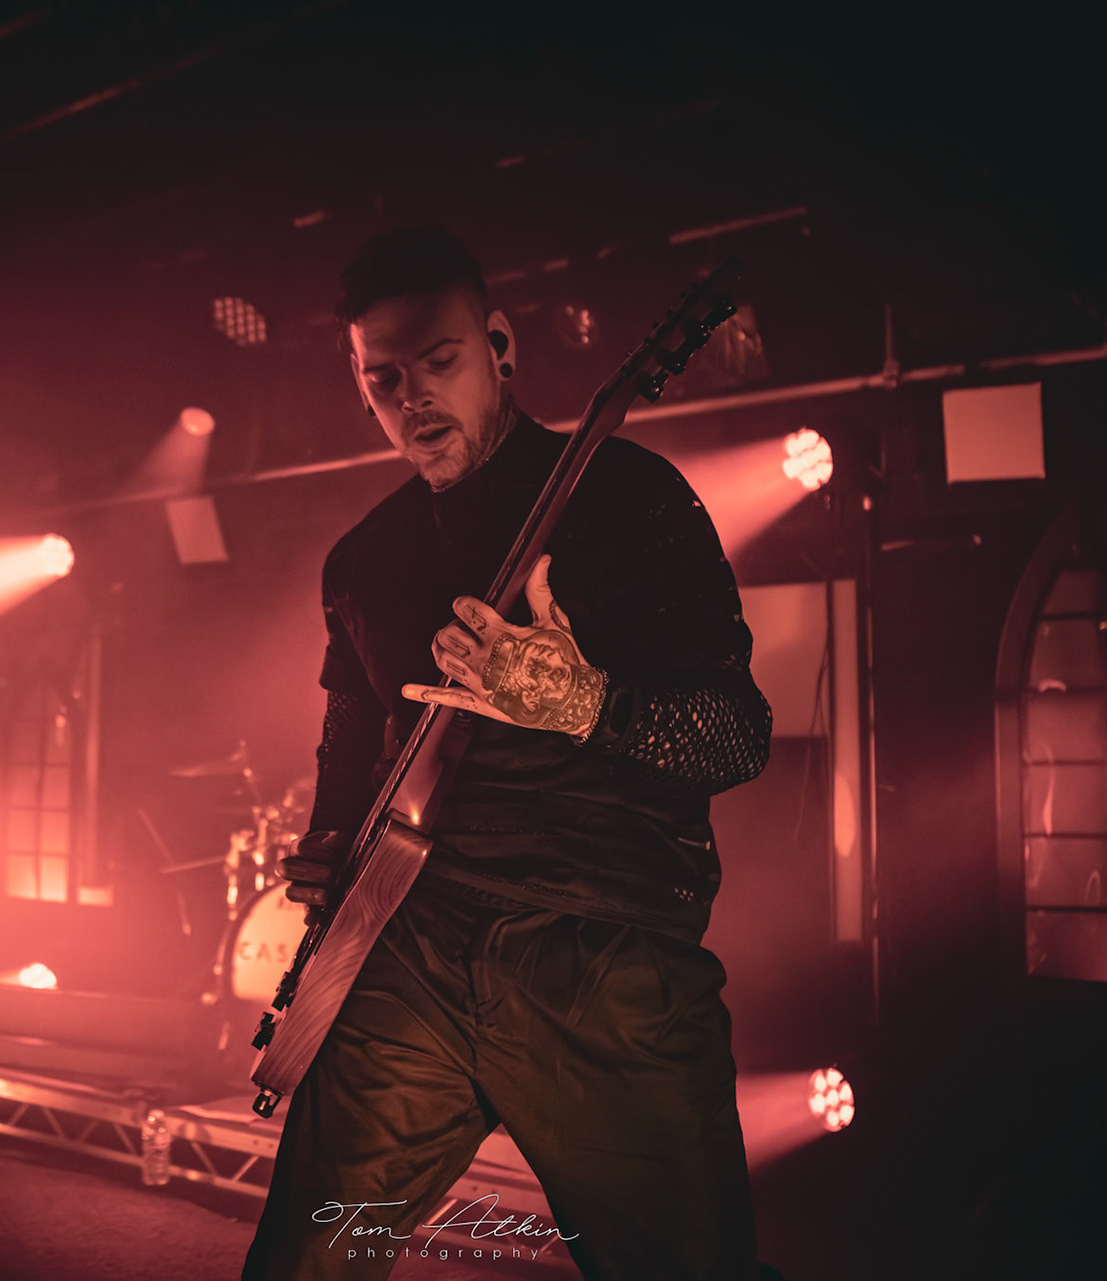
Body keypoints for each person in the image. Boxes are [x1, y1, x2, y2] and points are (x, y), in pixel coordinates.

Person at [244, 227, 774, 1280]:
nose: (412, 397)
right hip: (412, 949)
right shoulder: (362, 559)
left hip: (605, 958)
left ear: (499, 346)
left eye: (438, 361)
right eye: (382, 378)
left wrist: (584, 702)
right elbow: (350, 746)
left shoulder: (631, 498)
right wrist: (329, 845)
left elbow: (737, 732)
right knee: (304, 1265)